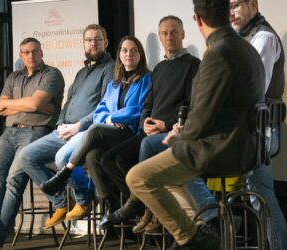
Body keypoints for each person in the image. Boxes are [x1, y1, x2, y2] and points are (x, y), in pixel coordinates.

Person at [126, 0, 265, 249]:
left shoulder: (218, 53)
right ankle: (202, 226)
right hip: (247, 148)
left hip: (222, 151)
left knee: (138, 177)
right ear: (227, 14)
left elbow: (200, 116)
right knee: (162, 170)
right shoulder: (245, 48)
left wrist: (179, 137)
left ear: (197, 20)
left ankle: (192, 238)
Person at [98, 16, 216, 233]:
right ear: (160, 37)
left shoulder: (193, 65)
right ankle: (145, 204)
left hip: (173, 133)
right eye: (164, 33)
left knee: (144, 148)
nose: (169, 37)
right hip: (150, 131)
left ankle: (149, 211)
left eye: (173, 32)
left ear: (183, 34)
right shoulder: (160, 68)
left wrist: (165, 124)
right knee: (110, 159)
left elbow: (194, 107)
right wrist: (145, 122)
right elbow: (148, 103)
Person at [0, 37, 65, 248]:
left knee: (14, 180)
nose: (31, 56)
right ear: (20, 55)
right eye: (26, 52)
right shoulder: (14, 76)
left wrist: (19, 105)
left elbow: (33, 103)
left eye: (35, 51)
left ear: (42, 53)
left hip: (37, 131)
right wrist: (32, 106)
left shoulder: (52, 74)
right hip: (10, 132)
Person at [18, 24, 114, 229]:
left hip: (88, 131)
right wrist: (61, 124)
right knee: (26, 157)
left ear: (106, 42)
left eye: (97, 39)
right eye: (88, 40)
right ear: (83, 44)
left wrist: (79, 126)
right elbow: (67, 103)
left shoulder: (111, 69)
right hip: (65, 129)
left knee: (63, 159)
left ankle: (84, 197)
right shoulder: (81, 72)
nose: (93, 43)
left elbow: (105, 107)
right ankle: (61, 201)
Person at [41, 36, 151, 207]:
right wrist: (108, 120)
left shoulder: (147, 79)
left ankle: (65, 172)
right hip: (112, 131)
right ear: (119, 55)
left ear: (140, 55)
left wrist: (113, 118)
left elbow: (140, 109)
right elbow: (100, 110)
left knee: (95, 130)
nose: (129, 54)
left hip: (131, 132)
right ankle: (111, 205)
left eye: (134, 50)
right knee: (92, 156)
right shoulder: (114, 84)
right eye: (124, 50)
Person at [230, 0, 287, 249]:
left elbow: (254, 90)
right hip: (253, 127)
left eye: (235, 5)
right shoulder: (247, 38)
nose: (230, 12)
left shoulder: (263, 37)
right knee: (257, 197)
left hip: (261, 128)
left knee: (262, 196)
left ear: (252, 4)